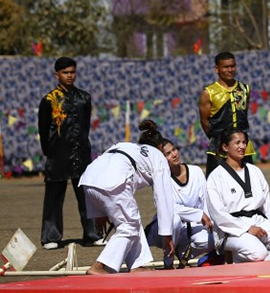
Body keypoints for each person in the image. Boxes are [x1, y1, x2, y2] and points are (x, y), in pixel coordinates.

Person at [79, 120, 177, 275]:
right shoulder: (158, 156)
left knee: (132, 219)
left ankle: (138, 264)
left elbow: (101, 169)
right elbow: (163, 198)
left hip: (88, 180)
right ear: (160, 147)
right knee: (129, 225)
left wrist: (98, 213)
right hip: (114, 181)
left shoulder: (123, 145)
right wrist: (167, 234)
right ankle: (99, 266)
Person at [38, 56, 102, 249]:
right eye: (65, 72)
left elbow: (85, 126)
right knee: (54, 197)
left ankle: (92, 234)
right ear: (57, 74)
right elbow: (43, 129)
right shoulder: (49, 100)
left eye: (72, 72)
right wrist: (50, 152)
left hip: (81, 154)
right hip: (57, 155)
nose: (69, 76)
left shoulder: (84, 98)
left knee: (86, 195)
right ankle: (51, 237)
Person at [205, 127, 270, 262]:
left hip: (257, 220)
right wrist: (247, 228)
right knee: (257, 252)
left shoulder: (255, 171)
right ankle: (240, 259)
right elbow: (218, 214)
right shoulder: (216, 177)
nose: (242, 146)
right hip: (230, 230)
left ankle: (259, 258)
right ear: (225, 147)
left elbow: (267, 205)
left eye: (244, 142)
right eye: (237, 143)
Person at [144, 138, 214, 267]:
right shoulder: (161, 178)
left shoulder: (196, 171)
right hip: (165, 230)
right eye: (168, 154)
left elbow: (205, 201)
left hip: (192, 228)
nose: (174, 154)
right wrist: (198, 214)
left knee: (217, 239)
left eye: (174, 149)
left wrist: (208, 221)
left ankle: (183, 253)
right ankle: (168, 263)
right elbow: (168, 208)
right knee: (174, 219)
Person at [198, 52, 255, 174]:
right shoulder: (209, 93)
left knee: (249, 183)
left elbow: (244, 114)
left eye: (232, 66)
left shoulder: (245, 89)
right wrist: (219, 140)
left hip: (244, 148)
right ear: (217, 69)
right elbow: (204, 121)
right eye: (226, 67)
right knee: (216, 186)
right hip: (219, 150)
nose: (230, 70)